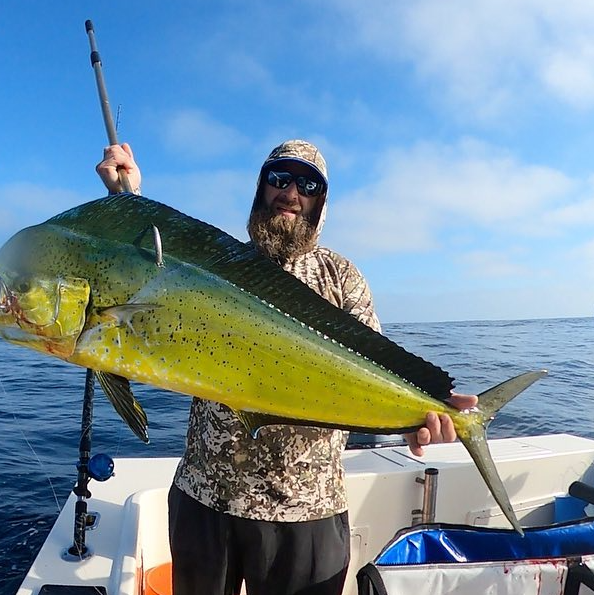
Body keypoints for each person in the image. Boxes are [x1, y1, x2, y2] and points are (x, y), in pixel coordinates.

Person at [96, 140, 478, 595]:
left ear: (321, 201)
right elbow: (158, 269)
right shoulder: (222, 266)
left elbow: (374, 376)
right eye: (279, 179)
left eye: (308, 184)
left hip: (306, 511)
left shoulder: (341, 277)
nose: (291, 193)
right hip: (205, 500)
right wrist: (128, 198)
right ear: (261, 189)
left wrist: (416, 418)